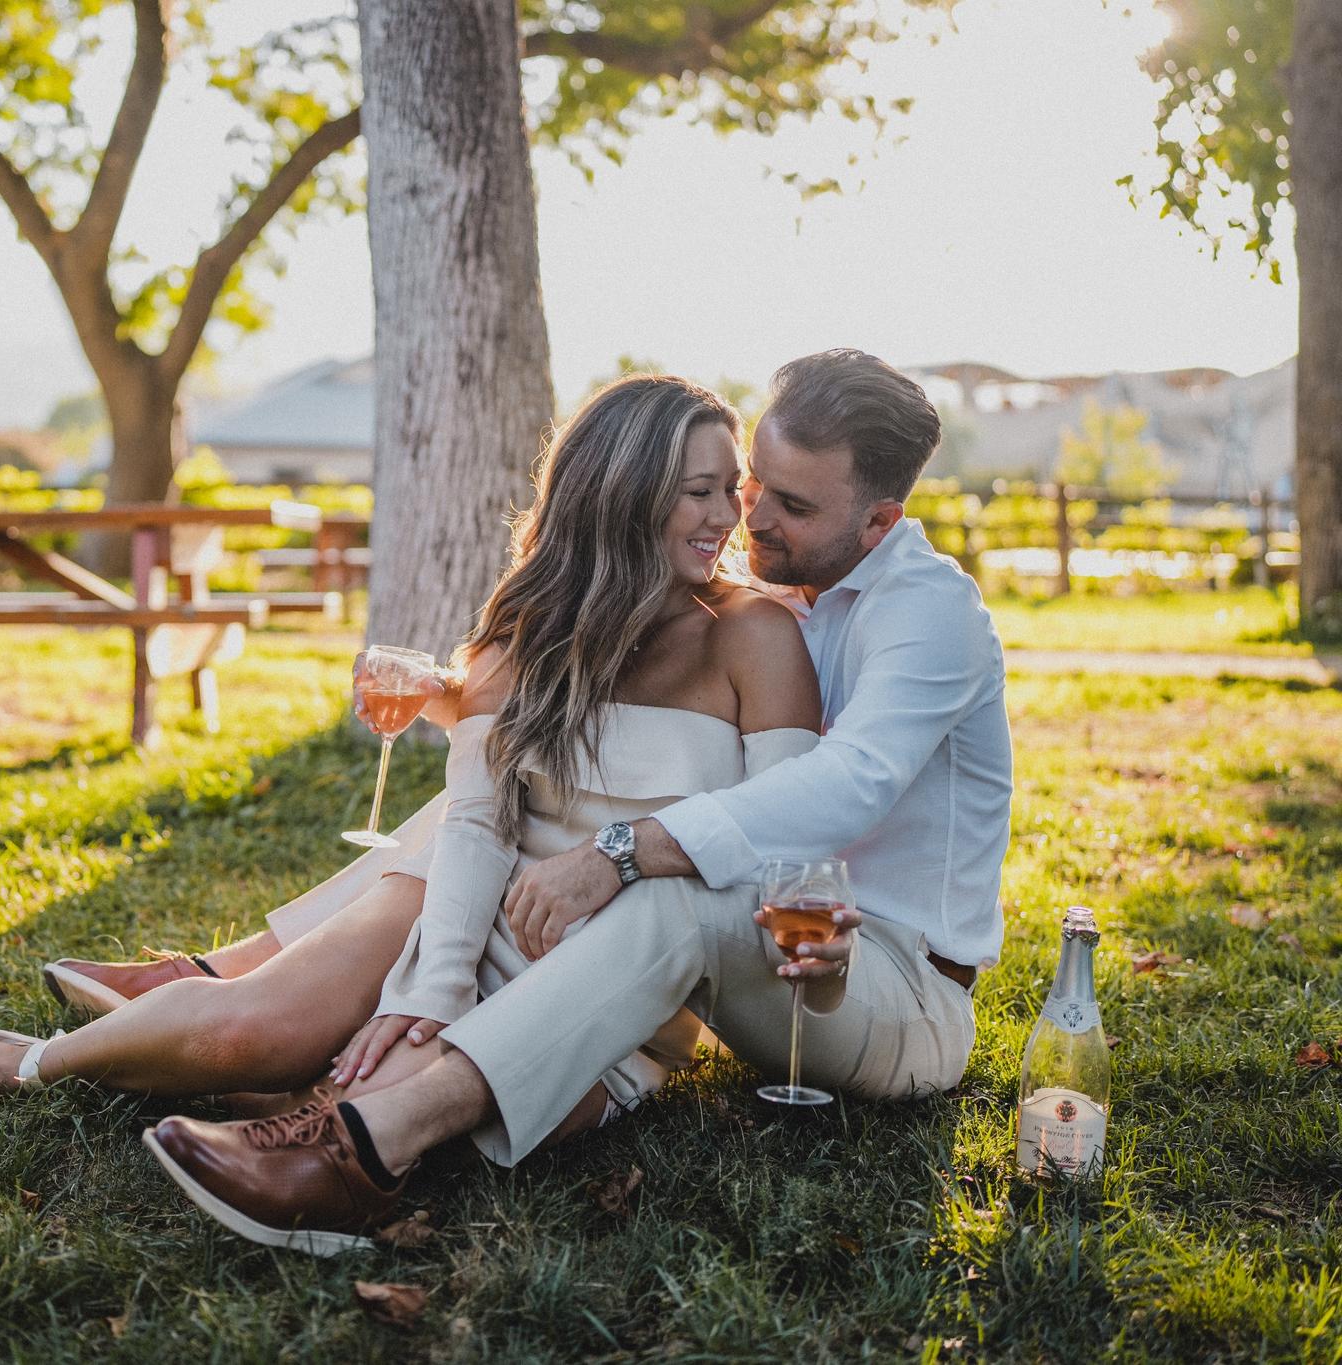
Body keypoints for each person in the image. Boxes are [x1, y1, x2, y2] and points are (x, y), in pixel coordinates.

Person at [141, 349, 1012, 1253]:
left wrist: (619, 851)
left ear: (879, 521)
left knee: (678, 892)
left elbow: (851, 783)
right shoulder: (784, 578)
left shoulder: (929, 613)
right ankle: (260, 1016)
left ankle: (365, 1147)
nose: (751, 516)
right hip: (768, 946)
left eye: (791, 505)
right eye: (755, 482)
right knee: (482, 812)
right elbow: (633, 713)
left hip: (890, 981)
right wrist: (464, 698)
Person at [0, 373, 835, 1134]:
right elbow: (476, 822)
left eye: (732, 490)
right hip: (471, 915)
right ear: (622, 498)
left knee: (356, 1109)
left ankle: (266, 1082)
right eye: (701, 492)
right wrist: (439, 985)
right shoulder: (529, 633)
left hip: (618, 974)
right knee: (253, 1028)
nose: (729, 517)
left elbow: (781, 834)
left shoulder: (754, 636)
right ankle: (29, 1059)